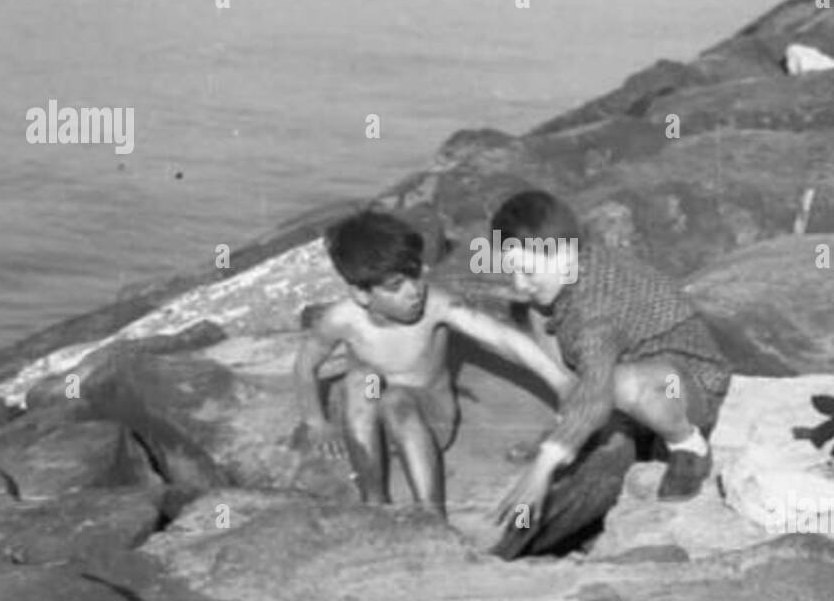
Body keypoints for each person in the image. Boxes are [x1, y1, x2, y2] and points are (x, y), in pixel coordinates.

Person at [293, 210, 574, 518]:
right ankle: (373, 502)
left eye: (415, 275)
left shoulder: (435, 307)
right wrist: (316, 423)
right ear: (361, 293)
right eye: (395, 286)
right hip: (376, 432)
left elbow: (502, 338)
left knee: (395, 399)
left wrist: (559, 380)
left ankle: (431, 514)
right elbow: (306, 364)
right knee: (361, 380)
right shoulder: (343, 320)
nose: (413, 292)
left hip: (428, 422)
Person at [488, 190, 732, 530]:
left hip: (687, 383)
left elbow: (600, 386)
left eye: (528, 272)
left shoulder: (596, 310)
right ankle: (572, 423)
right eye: (512, 270)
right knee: (531, 308)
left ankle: (688, 447)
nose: (519, 283)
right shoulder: (576, 266)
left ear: (567, 253)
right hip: (630, 361)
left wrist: (542, 469)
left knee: (618, 384)